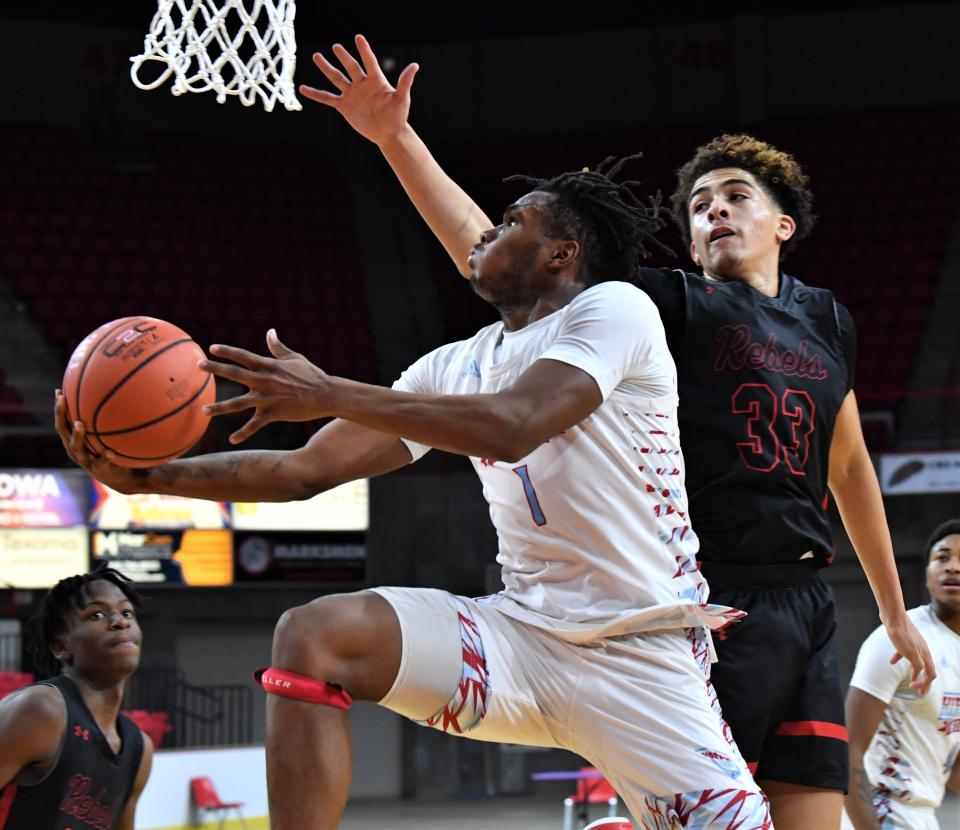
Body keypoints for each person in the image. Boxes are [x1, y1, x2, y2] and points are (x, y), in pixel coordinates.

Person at [297, 35, 936, 830]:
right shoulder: (660, 304)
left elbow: (849, 469)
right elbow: (493, 254)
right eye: (700, 206)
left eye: (735, 196)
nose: (713, 211)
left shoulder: (825, 320)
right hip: (710, 596)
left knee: (810, 814)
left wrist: (896, 607)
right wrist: (399, 140)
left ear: (784, 223)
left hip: (804, 599)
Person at [56, 158, 773, 828]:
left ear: (562, 254)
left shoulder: (615, 310)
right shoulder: (453, 365)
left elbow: (514, 426)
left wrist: (330, 390)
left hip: (640, 654)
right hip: (521, 637)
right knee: (313, 636)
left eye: (514, 220)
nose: (489, 229)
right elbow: (302, 471)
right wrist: (143, 478)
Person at [0, 567, 153, 830]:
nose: (120, 622)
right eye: (96, 614)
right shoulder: (42, 710)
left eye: (127, 612)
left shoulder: (139, 748)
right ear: (61, 647)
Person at [843, 519, 960, 829]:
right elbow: (847, 750)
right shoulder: (897, 639)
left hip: (924, 815)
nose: (953, 567)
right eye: (942, 557)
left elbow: (953, 765)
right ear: (927, 573)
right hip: (879, 813)